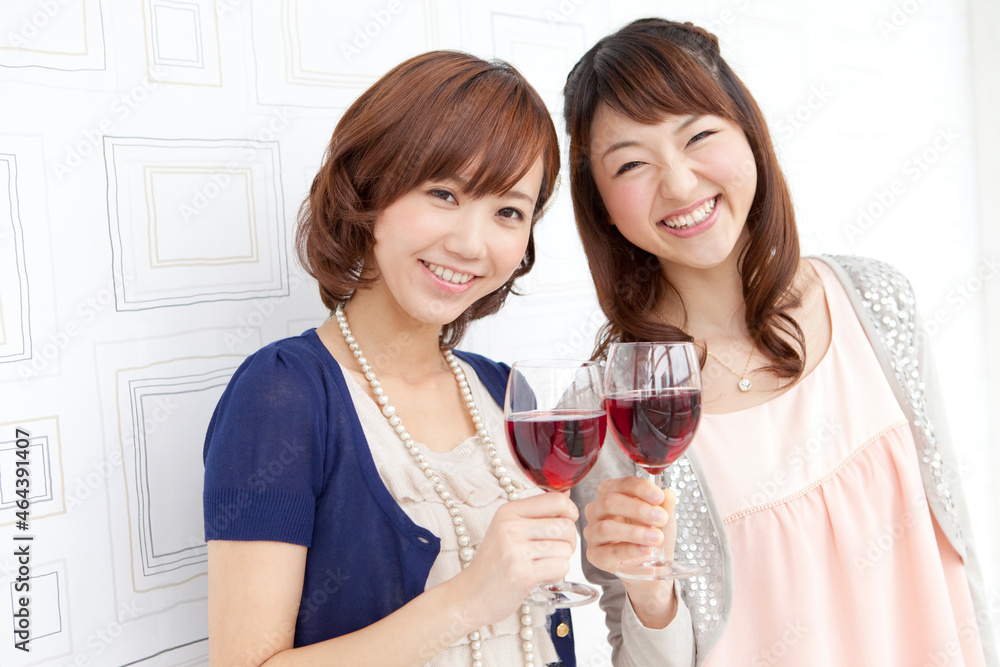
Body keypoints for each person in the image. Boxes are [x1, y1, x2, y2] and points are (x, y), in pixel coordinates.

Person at [563, 18, 997, 666]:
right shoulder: (609, 411)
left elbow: (957, 554)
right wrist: (651, 595)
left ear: (749, 131)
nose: (678, 184)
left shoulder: (876, 302)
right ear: (599, 203)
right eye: (631, 164)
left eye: (698, 135)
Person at [202, 50, 577, 666]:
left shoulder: (506, 392)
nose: (471, 243)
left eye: (508, 211)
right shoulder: (282, 396)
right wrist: (467, 601)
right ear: (369, 190)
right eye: (444, 193)